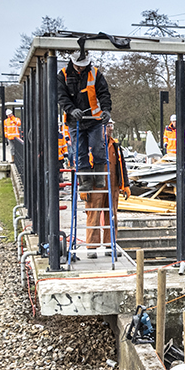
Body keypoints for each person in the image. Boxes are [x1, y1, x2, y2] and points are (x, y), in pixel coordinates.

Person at [58, 49, 113, 257]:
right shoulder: (63, 75)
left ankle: (98, 178)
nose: (82, 68)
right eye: (79, 65)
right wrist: (71, 110)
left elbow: (104, 94)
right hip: (75, 121)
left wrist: (106, 110)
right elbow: (61, 96)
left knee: (98, 148)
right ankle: (85, 181)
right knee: (79, 153)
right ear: (73, 63)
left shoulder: (95, 73)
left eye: (84, 65)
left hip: (95, 119)